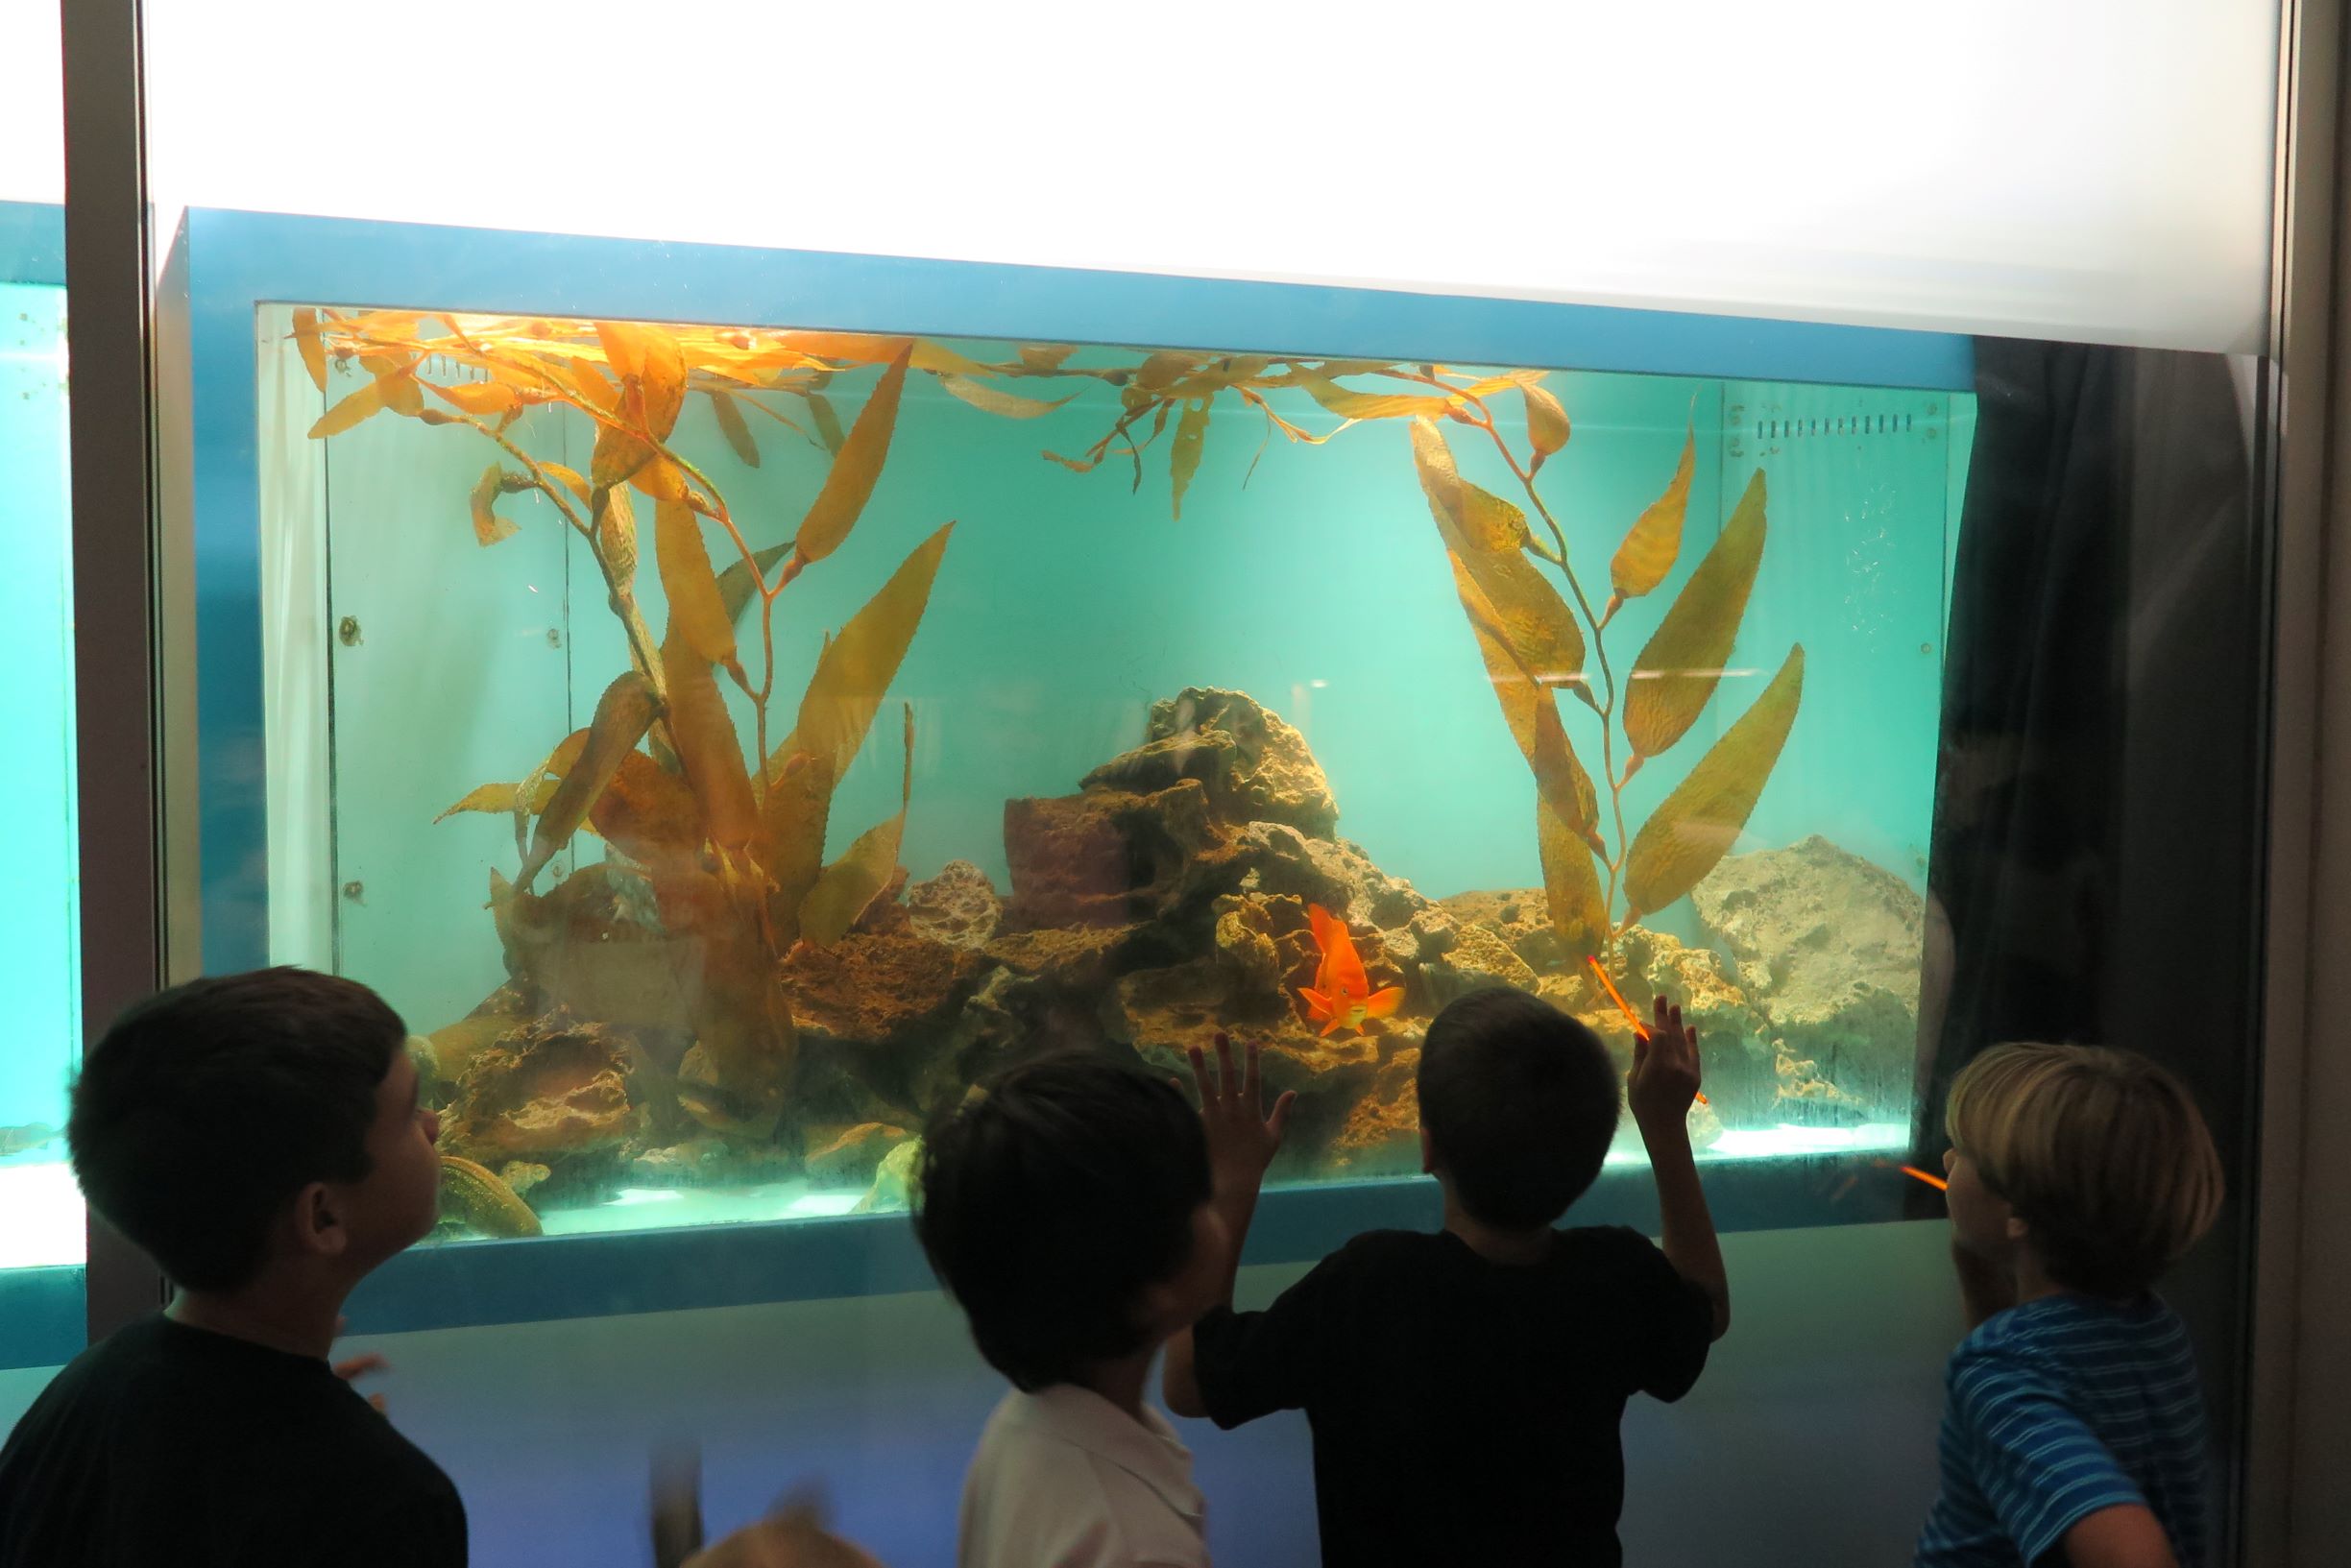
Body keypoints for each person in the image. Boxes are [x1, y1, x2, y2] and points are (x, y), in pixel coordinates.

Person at [1163, 985, 1728, 1568]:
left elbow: (1189, 1383)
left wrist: (1227, 1186)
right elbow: (1706, 1308)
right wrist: (1665, 1128)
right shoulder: (1615, 1278)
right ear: (1596, 1153)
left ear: (1427, 1148)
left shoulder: (1371, 1286)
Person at [0, 968, 466, 1567]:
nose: (434, 1125)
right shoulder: (386, 1503)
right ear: (322, 1217)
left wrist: (299, 1422)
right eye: (409, 1113)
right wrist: (327, 1450)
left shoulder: (83, 1394)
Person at [913, 1055, 1231, 1568]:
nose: (1215, 1204)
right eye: (1202, 1194)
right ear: (1150, 1289)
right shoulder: (1137, 1549)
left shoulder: (1020, 1428)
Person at [1916, 1043, 2225, 1568]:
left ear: (2016, 1210)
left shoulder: (1999, 1370)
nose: (1946, 1162)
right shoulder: (2151, 1325)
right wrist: (1976, 1260)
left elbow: (2131, 1551)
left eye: (1962, 1151)